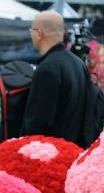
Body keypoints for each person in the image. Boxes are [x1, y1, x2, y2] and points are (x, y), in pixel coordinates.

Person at [21, 11, 88, 146]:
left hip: (50, 154)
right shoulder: (79, 64)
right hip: (75, 152)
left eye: (32, 30)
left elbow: (37, 122)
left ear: (39, 34)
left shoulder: (47, 69)